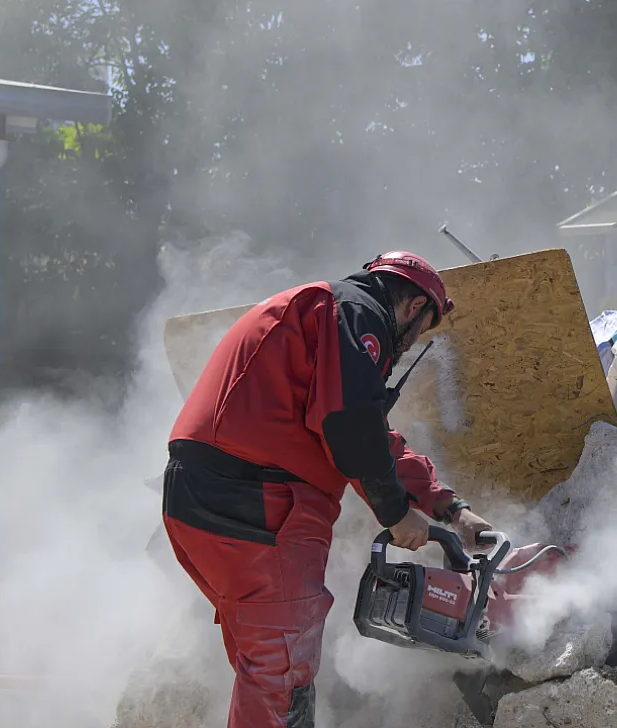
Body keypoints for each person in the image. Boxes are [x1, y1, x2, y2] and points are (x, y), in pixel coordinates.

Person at [162, 250, 495, 728]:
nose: (414, 342)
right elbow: (349, 424)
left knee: (265, 670)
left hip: (203, 499)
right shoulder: (357, 312)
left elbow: (372, 434)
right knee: (281, 677)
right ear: (414, 306)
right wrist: (397, 513)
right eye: (424, 327)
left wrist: (448, 507)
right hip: (259, 508)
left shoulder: (320, 314)